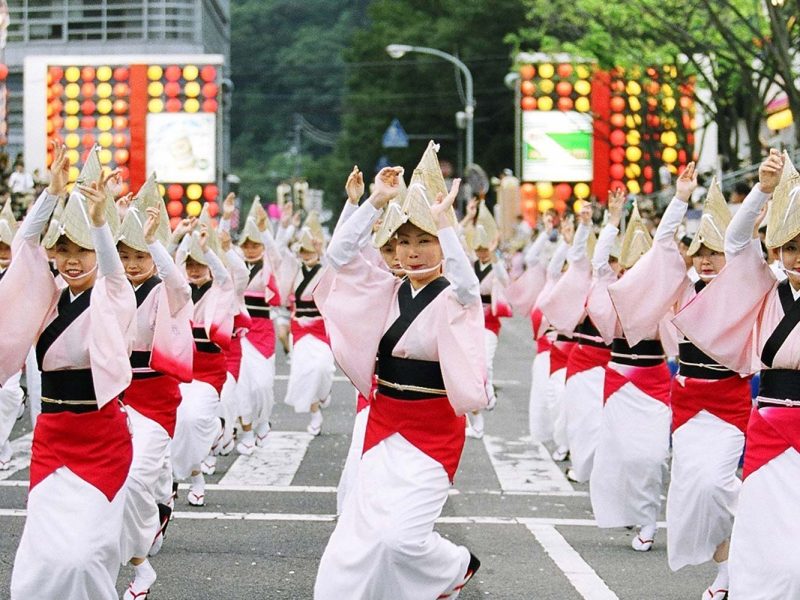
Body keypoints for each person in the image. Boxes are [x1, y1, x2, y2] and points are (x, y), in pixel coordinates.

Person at [313, 144, 487, 599]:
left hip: (433, 431)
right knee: (358, 537)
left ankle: (454, 566)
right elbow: (337, 257)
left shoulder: (455, 296)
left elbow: (470, 285)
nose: (411, 252)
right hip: (384, 423)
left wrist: (445, 224)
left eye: (422, 241)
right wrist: (375, 200)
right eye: (403, 242)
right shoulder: (386, 291)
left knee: (402, 538)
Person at [1, 144, 136, 599]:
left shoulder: (113, 295)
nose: (71, 260)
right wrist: (52, 193)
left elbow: (115, 277)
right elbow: (23, 248)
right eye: (62, 250)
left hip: (102, 437)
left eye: (80, 250)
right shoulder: (45, 294)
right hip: (53, 436)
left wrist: (100, 224)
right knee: (44, 552)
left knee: (86, 554)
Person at [673, 149, 800, 598]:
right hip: (767, 426)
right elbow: (735, 243)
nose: (798, 256)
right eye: (791, 245)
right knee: (767, 540)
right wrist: (763, 190)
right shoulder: (765, 285)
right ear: (778, 249)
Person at [654, 173, 752, 600]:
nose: (706, 260)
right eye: (699, 252)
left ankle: (763, 511)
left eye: (714, 252)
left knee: (716, 484)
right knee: (694, 492)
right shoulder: (682, 287)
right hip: (688, 405)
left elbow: (746, 249)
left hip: (729, 403)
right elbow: (660, 250)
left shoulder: (745, 291)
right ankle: (725, 570)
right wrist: (679, 201)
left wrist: (761, 198)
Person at [591, 190, 686, 552]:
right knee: (620, 454)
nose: (631, 274)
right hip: (618, 380)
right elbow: (599, 266)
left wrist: (678, 203)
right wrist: (612, 221)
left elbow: (665, 249)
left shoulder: (662, 297)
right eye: (626, 267)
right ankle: (634, 512)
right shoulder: (612, 291)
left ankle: (648, 519)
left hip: (654, 380)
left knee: (649, 455)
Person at [116, 175, 194, 600]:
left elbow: (181, 285)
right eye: (124, 254)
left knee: (132, 479)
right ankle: (162, 503)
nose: (131, 263)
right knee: (133, 478)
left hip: (155, 396)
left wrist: (156, 242)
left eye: (139, 255)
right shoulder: (110, 289)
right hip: (114, 397)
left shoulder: (167, 291)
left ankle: (141, 560)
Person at [170, 208, 236, 506]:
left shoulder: (221, 290)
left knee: (195, 417)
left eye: (200, 265)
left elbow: (223, 275)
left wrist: (208, 250)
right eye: (191, 264)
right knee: (180, 421)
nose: (195, 269)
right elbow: (167, 266)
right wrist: (181, 238)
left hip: (209, 370)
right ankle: (191, 473)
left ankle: (216, 430)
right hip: (179, 368)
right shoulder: (179, 291)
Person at [220, 195, 282, 455]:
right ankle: (245, 430)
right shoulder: (234, 264)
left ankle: (262, 420)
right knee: (242, 384)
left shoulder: (270, 264)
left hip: (263, 331)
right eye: (246, 245)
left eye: (255, 245)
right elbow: (218, 246)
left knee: (263, 384)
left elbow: (276, 251)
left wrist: (264, 228)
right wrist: (225, 218)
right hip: (239, 330)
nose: (251, 249)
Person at [278, 207, 335, 435]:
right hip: (300, 327)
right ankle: (314, 413)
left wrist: (323, 254)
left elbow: (337, 270)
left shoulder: (326, 268)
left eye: (310, 250)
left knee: (322, 368)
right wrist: (290, 226)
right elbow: (280, 249)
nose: (306, 254)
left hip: (322, 326)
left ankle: (323, 394)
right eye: (303, 250)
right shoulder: (294, 267)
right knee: (304, 370)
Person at [462, 201, 511, 438]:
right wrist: (468, 218)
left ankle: (488, 394)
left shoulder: (495, 266)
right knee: (472, 362)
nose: (481, 252)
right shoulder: (471, 265)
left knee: (486, 360)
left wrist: (494, 256)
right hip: (471, 319)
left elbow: (504, 280)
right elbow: (458, 241)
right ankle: (484, 397)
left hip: (490, 321)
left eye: (485, 249)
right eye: (479, 249)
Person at [0, 199, 26, 470]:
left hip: (13, 344)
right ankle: (3, 445)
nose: (3, 251)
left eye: (7, 245)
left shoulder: (21, 273)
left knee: (8, 394)